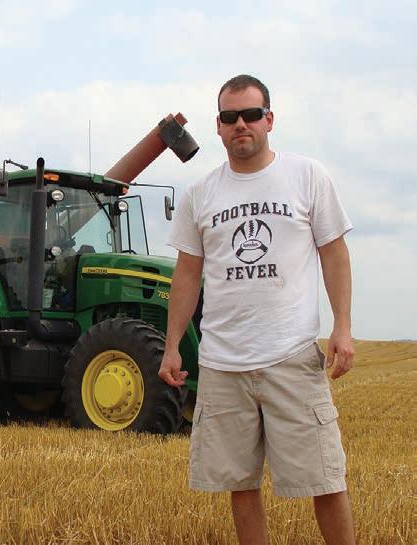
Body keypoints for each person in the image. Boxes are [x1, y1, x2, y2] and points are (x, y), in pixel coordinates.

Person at [159, 74, 356, 545]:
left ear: (269, 119)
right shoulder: (200, 194)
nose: (240, 124)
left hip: (290, 355)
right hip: (223, 362)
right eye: (230, 117)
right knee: (240, 484)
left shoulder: (307, 176)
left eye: (250, 114)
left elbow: (333, 253)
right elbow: (187, 275)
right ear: (218, 126)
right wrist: (172, 346)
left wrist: (343, 327)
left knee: (325, 478)